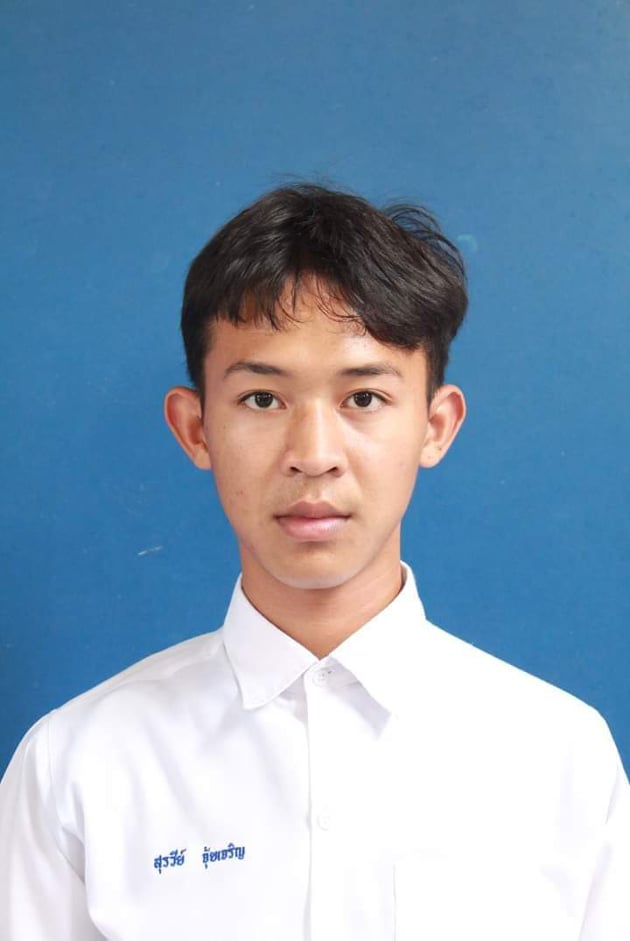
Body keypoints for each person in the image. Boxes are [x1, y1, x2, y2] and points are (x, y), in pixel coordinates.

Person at [0, 183, 628, 940]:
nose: (314, 455)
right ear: (195, 428)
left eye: (363, 399)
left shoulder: (561, 759)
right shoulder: (78, 769)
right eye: (263, 400)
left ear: (435, 425)